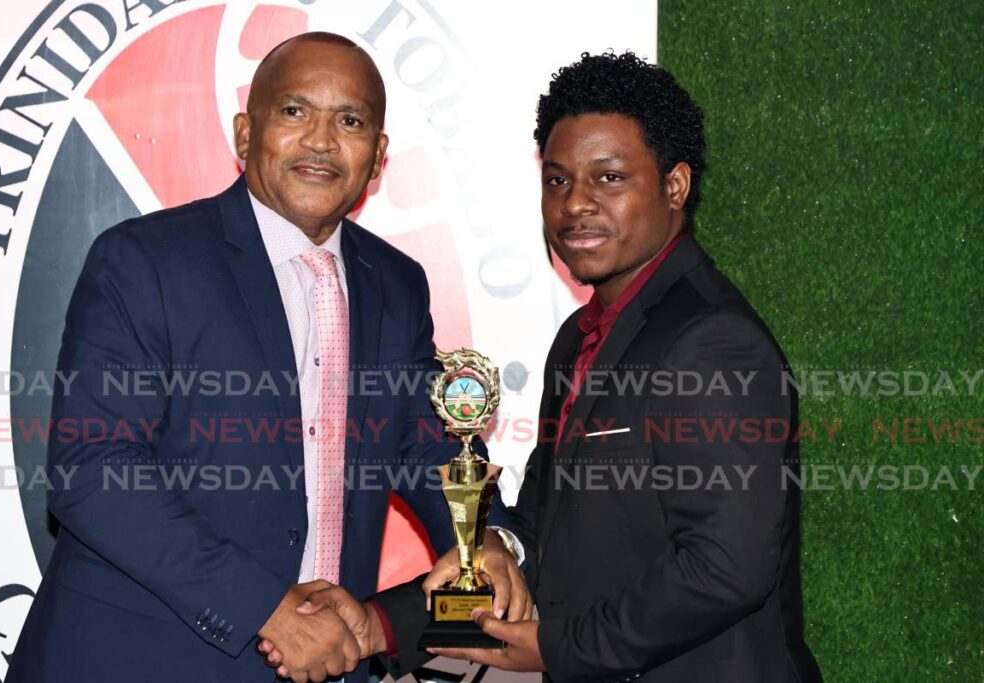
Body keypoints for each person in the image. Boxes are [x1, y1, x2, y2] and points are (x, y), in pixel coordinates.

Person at [266, 51, 824, 683]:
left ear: (675, 186)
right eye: (557, 180)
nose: (575, 204)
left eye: (608, 178)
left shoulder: (713, 342)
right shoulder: (578, 339)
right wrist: (380, 626)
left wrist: (558, 647)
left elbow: (725, 567)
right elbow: (536, 538)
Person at [5, 32, 525, 683]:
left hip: (332, 663)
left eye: (351, 120)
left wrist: (483, 539)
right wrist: (265, 609)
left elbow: (424, 443)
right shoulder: (144, 262)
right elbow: (94, 470)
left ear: (379, 156)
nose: (322, 140)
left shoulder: (396, 283)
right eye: (294, 111)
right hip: (142, 660)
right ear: (245, 133)